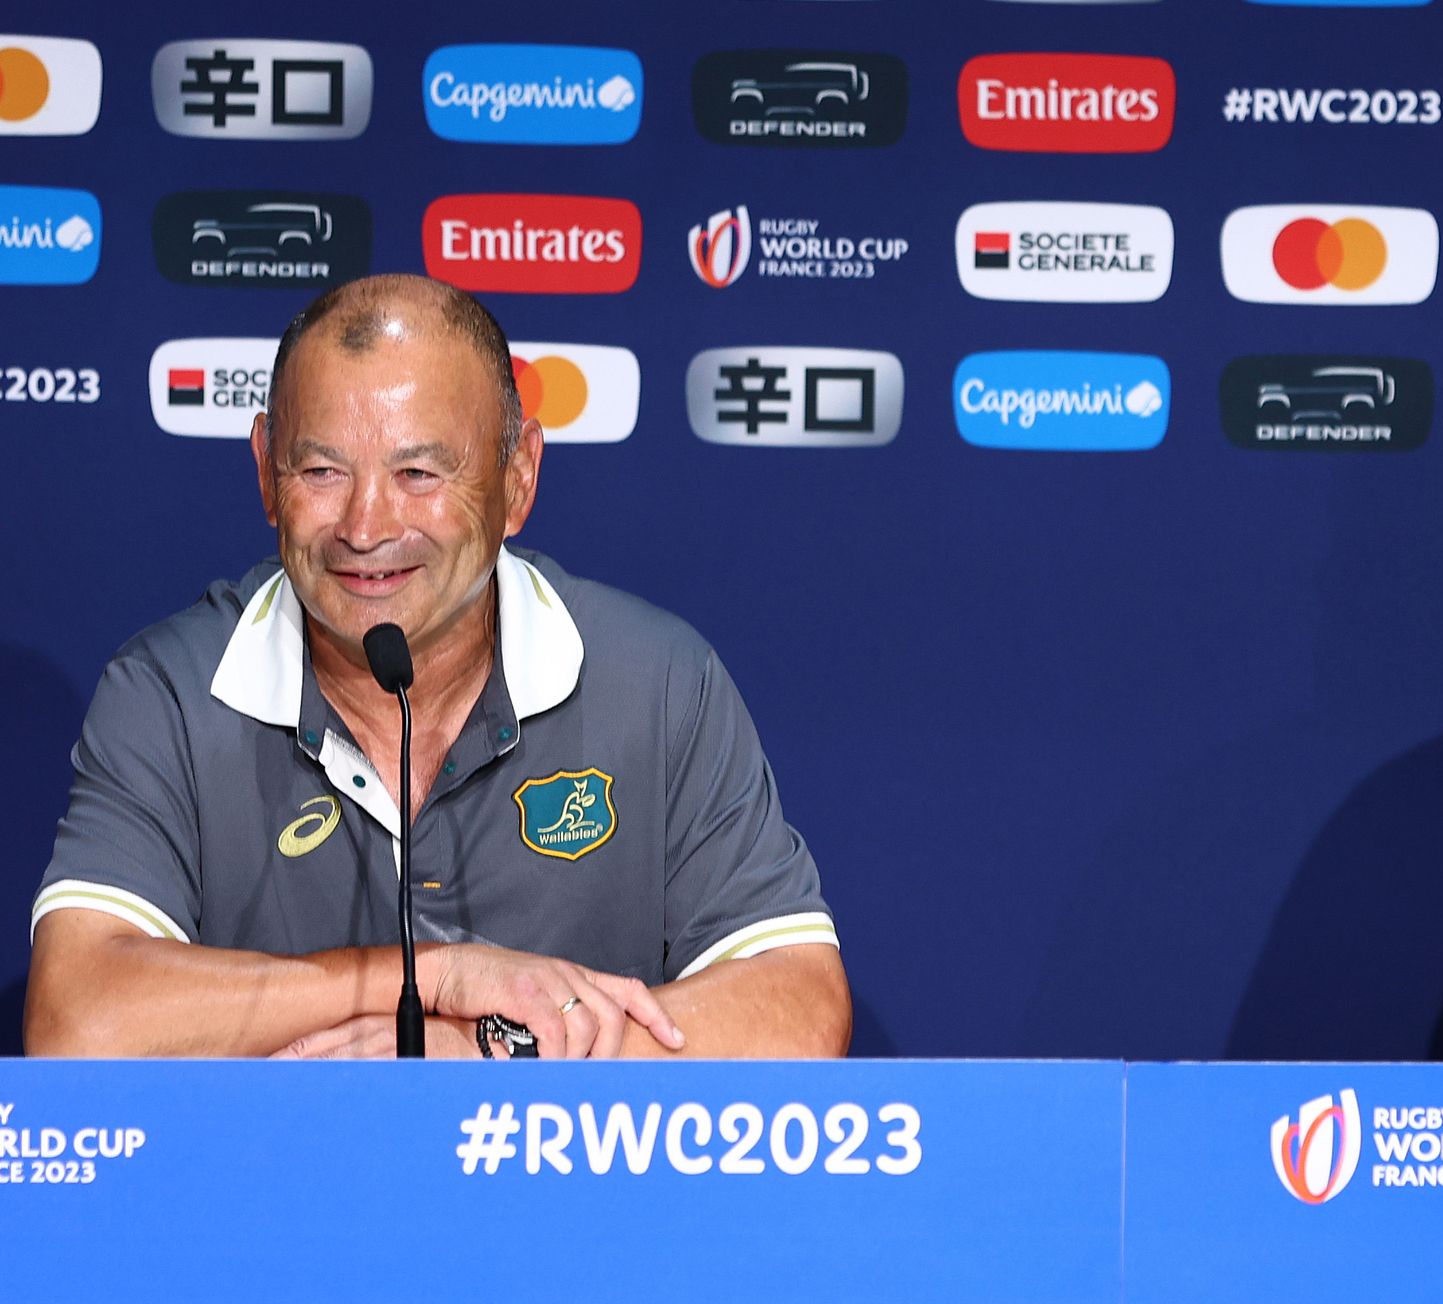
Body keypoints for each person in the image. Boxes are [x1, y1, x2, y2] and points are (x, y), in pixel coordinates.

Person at [25, 275, 851, 1059]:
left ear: (517, 477)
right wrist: (439, 980)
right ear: (266, 473)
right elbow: (80, 1023)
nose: (365, 525)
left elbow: (797, 1009)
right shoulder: (167, 692)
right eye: (321, 471)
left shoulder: (661, 682)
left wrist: (491, 1052)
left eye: (418, 473)